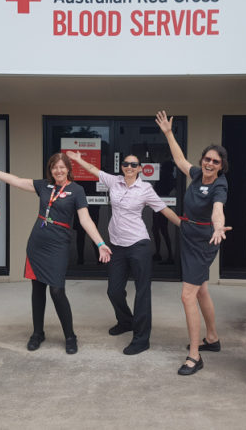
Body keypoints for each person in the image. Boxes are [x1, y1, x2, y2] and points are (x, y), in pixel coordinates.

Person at [0, 153, 111, 354]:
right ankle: (37, 333)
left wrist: (100, 243)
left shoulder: (77, 190)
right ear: (51, 170)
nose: (59, 171)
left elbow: (85, 220)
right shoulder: (44, 186)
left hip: (59, 245)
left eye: (62, 167)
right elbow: (17, 181)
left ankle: (70, 336)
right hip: (37, 243)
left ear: (68, 169)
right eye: (55, 167)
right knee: (37, 290)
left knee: (56, 290)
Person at [66, 150, 181, 355]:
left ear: (139, 169)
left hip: (139, 245)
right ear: (122, 167)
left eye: (134, 165)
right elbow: (93, 170)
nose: (129, 167)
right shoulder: (113, 181)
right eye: (126, 164)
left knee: (142, 293)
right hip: (117, 246)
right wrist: (77, 159)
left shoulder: (145, 189)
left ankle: (141, 339)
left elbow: (164, 210)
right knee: (114, 290)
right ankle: (126, 321)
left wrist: (184, 226)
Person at [156, 110, 231, 375]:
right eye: (207, 159)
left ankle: (194, 356)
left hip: (204, 242)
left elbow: (217, 209)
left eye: (216, 161)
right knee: (201, 291)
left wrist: (219, 226)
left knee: (187, 295)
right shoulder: (198, 175)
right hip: (189, 236)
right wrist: (168, 133)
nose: (210, 163)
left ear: (221, 166)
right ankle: (212, 338)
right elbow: (179, 160)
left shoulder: (219, 186)